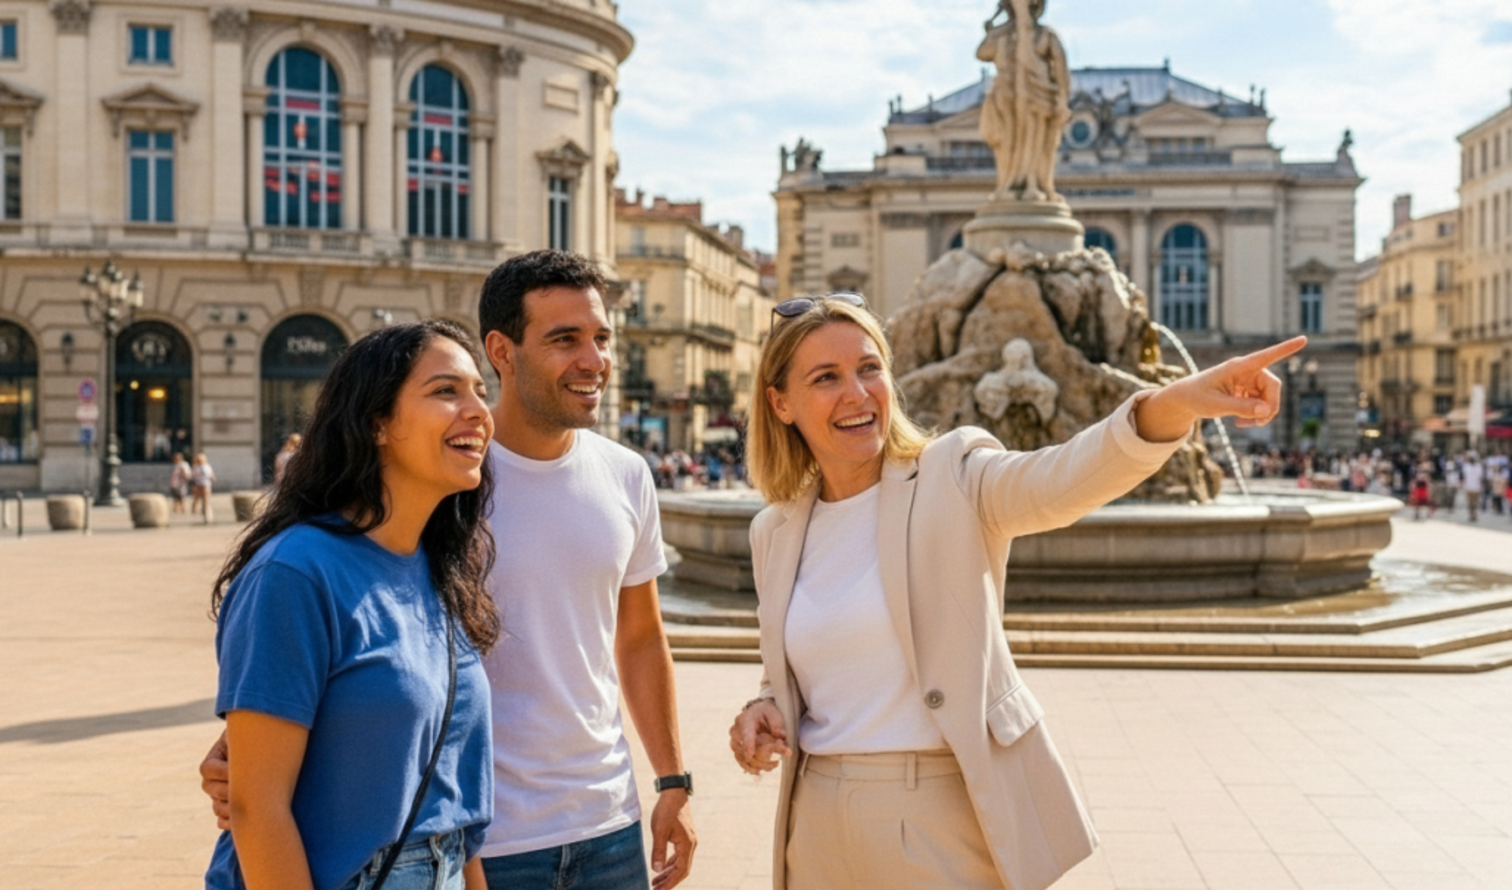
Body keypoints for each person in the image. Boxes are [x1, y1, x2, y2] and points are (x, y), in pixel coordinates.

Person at [726, 293, 1304, 890]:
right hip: (814, 819)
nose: (858, 392)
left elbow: (1063, 478)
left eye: (870, 368)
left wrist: (1175, 403)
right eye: (827, 377)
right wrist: (765, 707)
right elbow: (795, 670)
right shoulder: (775, 530)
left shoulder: (952, 474)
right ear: (781, 402)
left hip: (935, 816)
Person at [202, 251, 696, 890]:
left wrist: (673, 779)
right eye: (565, 338)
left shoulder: (466, 512)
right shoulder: (441, 491)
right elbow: (310, 669)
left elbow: (639, 637)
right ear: (504, 349)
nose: (594, 359)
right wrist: (250, 759)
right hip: (489, 839)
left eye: (602, 338)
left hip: (580, 824)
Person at [205, 320, 499, 890]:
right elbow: (256, 808)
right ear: (377, 424)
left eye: (479, 393)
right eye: (446, 391)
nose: (478, 412)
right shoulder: (294, 572)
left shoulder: (439, 571)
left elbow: (448, 799)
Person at [191, 452, 217, 524]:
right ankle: (195, 512)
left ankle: (206, 515)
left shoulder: (207, 466)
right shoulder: (195, 467)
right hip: (198, 485)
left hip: (206, 485)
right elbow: (192, 477)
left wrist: (213, 478)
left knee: (206, 500)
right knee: (196, 499)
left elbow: (211, 474)